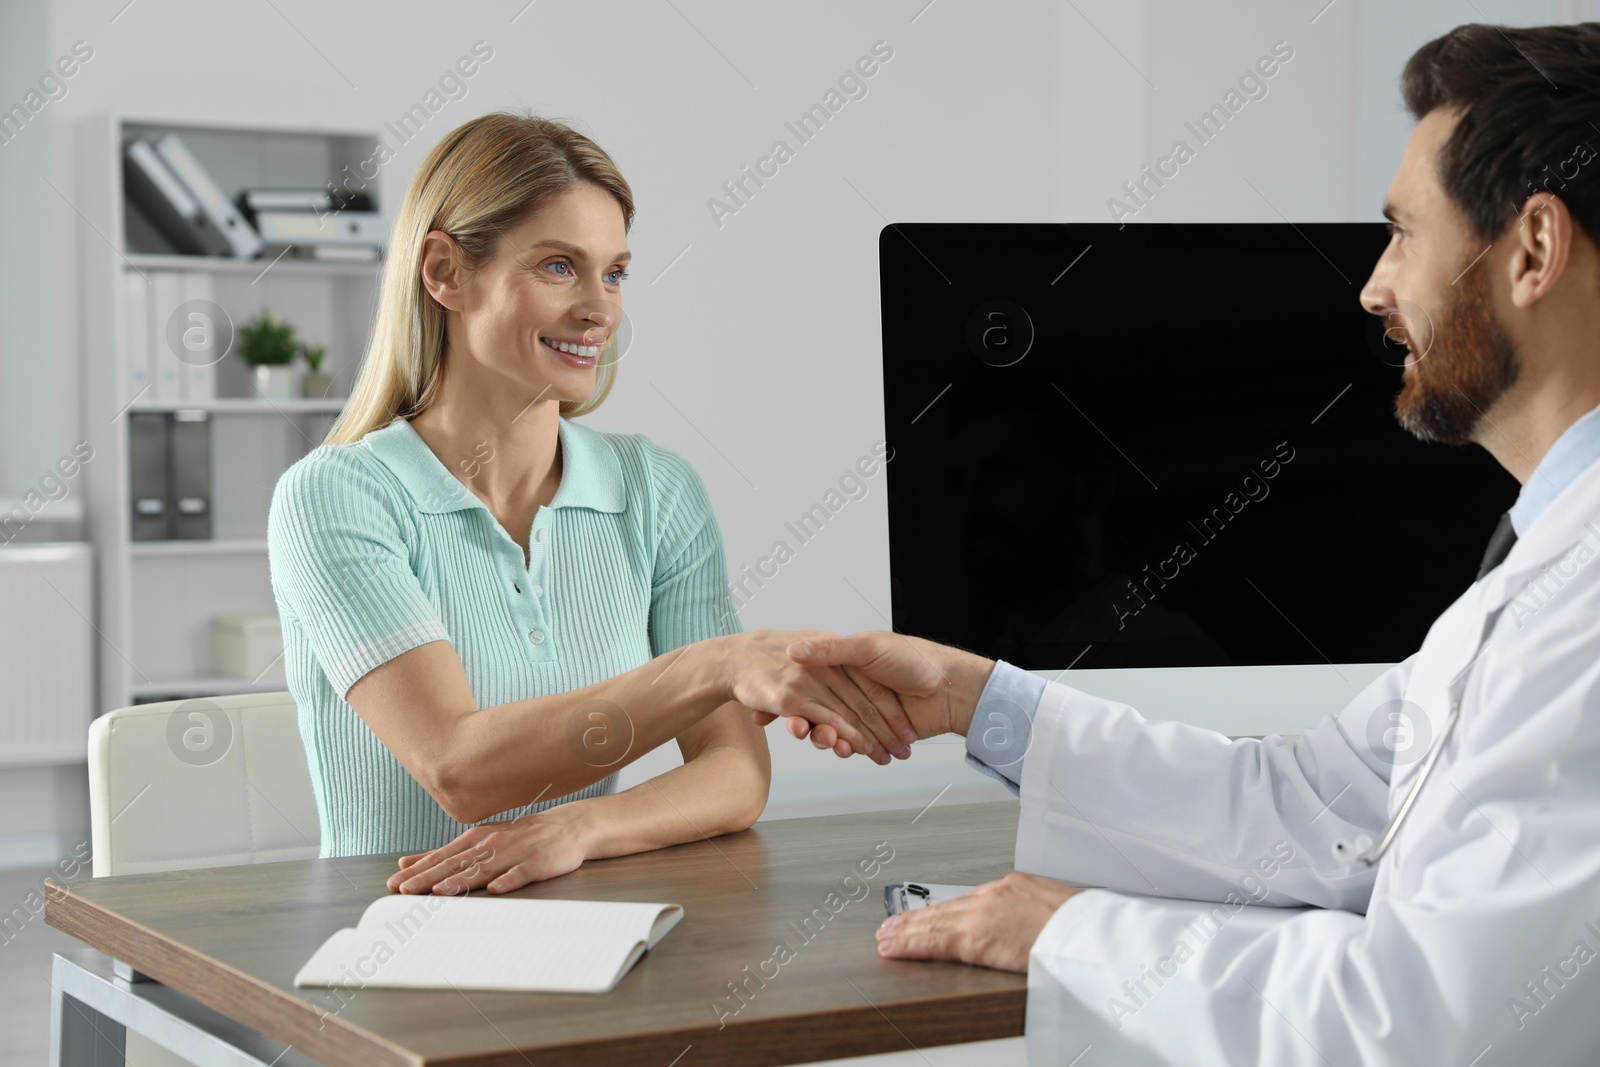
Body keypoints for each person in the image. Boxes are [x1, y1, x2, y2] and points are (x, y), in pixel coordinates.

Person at [766, 21, 1600, 1064]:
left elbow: (1429, 1026)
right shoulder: (1543, 560)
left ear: (1531, 248)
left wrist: (1067, 928)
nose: (1373, 286)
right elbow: (1310, 801)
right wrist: (982, 699)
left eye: (1401, 233)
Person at [266, 113, 920, 896]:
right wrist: (715, 665)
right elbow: (459, 768)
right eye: (557, 267)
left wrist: (579, 827)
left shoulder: (656, 491)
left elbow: (734, 773)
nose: (600, 310)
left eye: (613, 273)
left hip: (583, 933)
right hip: (386, 945)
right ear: (444, 270)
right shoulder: (337, 497)